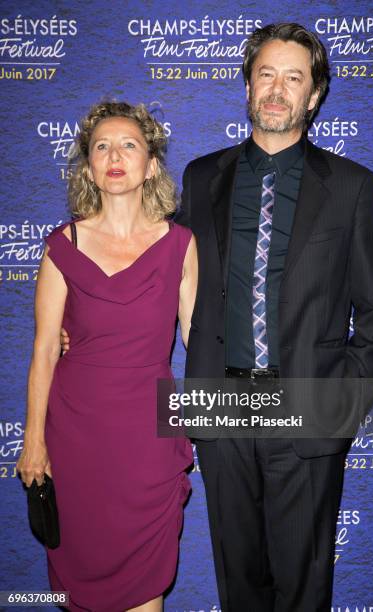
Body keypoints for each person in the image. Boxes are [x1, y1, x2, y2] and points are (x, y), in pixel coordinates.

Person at [176, 23, 373, 612]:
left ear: (314, 95)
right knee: (239, 585)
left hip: (305, 408)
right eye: (265, 74)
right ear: (247, 85)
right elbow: (168, 280)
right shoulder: (201, 179)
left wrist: (339, 401)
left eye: (293, 78)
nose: (277, 89)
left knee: (303, 590)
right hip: (220, 409)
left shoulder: (352, 187)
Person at [17, 101, 198, 612]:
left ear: (152, 164)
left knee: (146, 589)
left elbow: (199, 340)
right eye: (102, 146)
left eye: (129, 145)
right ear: (89, 166)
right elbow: (45, 349)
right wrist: (33, 441)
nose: (114, 155)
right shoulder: (62, 246)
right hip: (76, 441)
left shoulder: (180, 244)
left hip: (148, 442)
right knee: (82, 586)